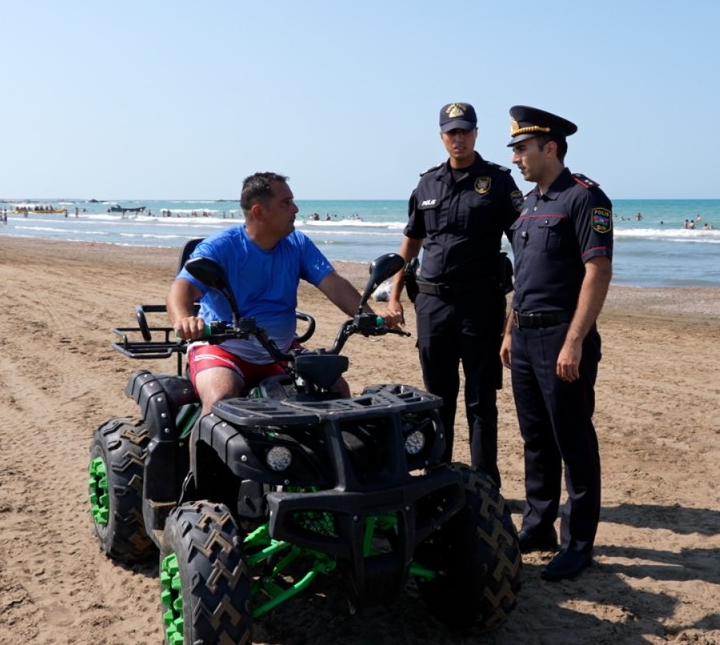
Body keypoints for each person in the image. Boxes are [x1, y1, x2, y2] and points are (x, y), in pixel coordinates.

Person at [499, 105, 614, 582]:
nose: (516, 159)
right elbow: (522, 277)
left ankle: (579, 543)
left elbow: (598, 272)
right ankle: (539, 526)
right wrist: (508, 331)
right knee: (536, 440)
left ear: (550, 148)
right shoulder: (528, 205)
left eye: (522, 149)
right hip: (524, 337)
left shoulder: (585, 198)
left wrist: (574, 342)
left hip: (561, 337)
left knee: (573, 440)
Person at [168, 172, 390, 415]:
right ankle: (199, 453)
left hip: (281, 350)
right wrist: (184, 320)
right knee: (220, 400)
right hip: (224, 349)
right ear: (258, 212)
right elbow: (181, 289)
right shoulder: (221, 247)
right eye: (286, 203)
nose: (295, 209)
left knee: (336, 389)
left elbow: (334, 284)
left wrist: (368, 315)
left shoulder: (297, 244)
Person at [384, 102, 522, 487]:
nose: (458, 139)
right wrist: (394, 295)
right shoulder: (426, 184)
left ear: (476, 133)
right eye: (451, 132)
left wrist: (517, 306)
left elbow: (523, 243)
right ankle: (437, 477)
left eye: (465, 131)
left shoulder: (498, 182)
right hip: (432, 305)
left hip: (480, 305)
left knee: (481, 400)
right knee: (437, 397)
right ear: (442, 136)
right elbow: (410, 244)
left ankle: (484, 483)